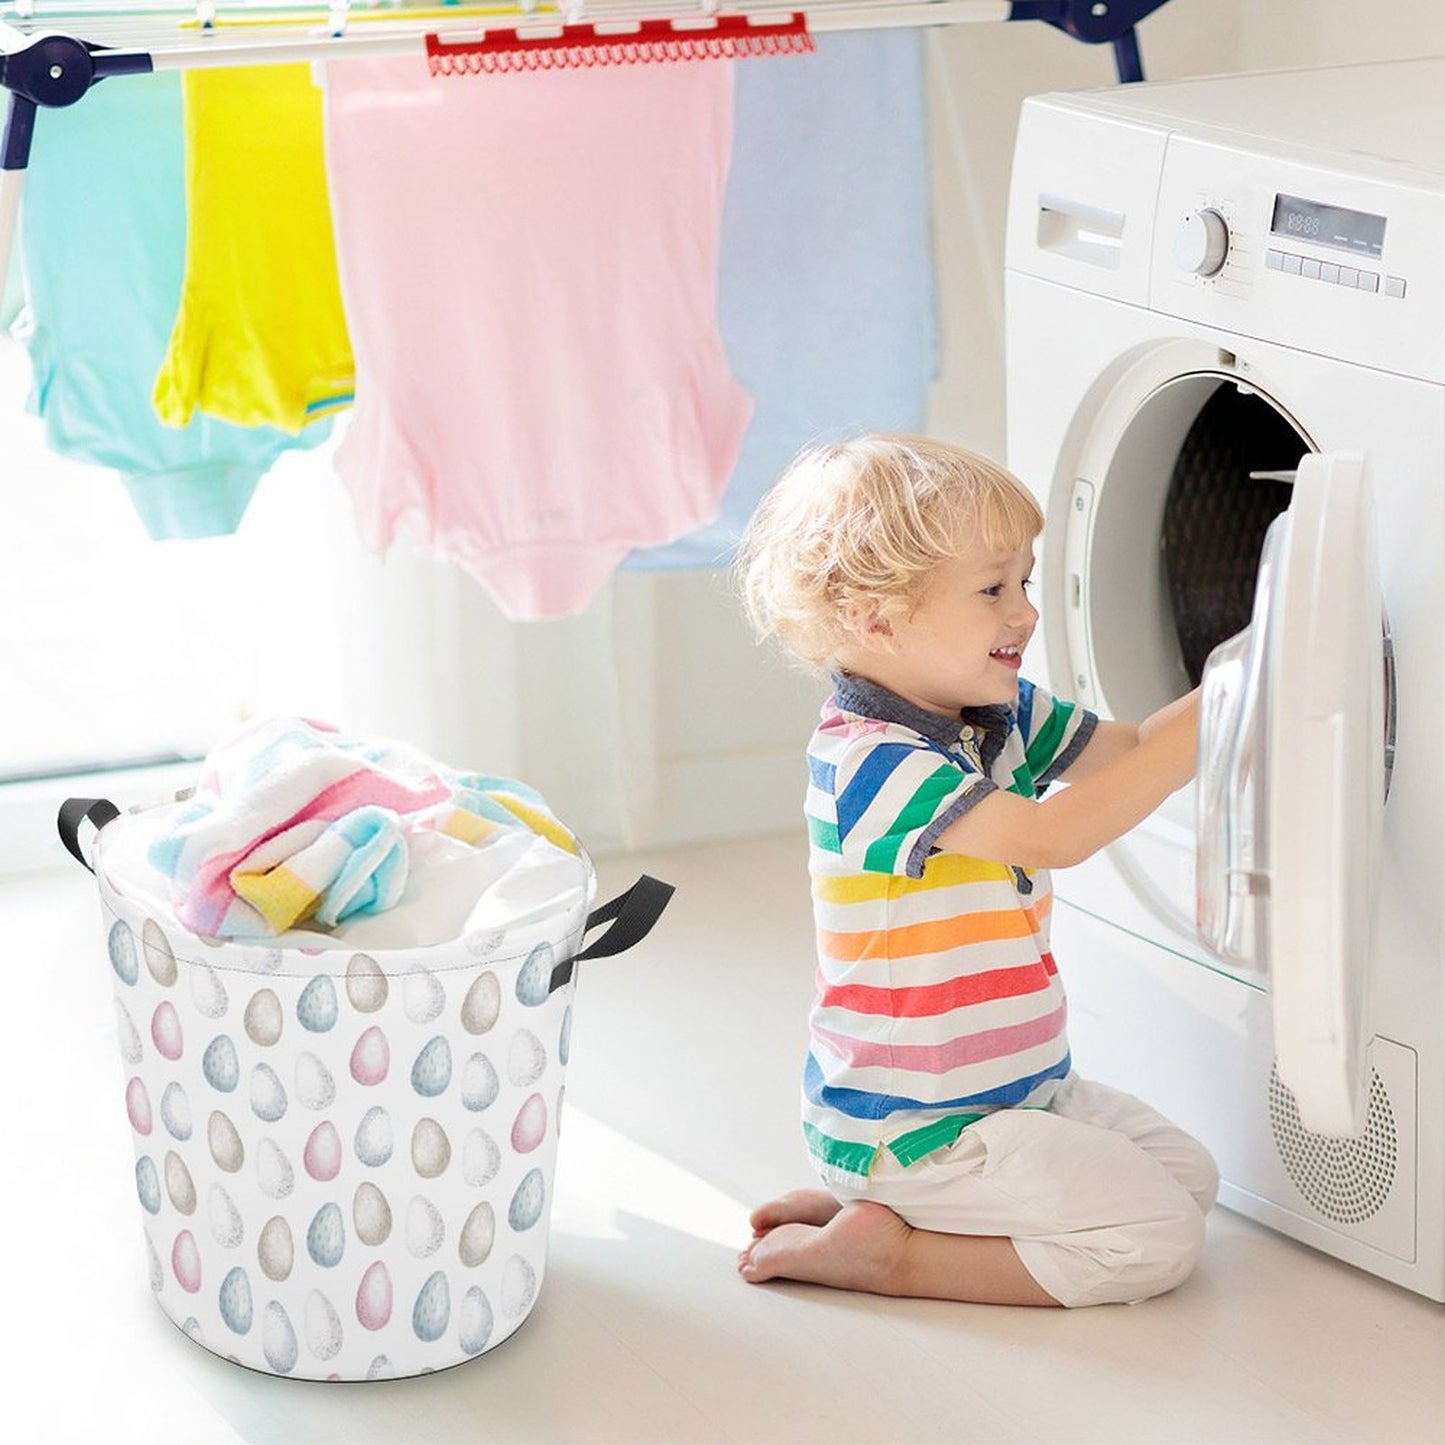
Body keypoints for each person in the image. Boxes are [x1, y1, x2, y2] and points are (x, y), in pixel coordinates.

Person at [733, 433, 1217, 1308]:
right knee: (1156, 1239)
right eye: (993, 588)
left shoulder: (994, 712)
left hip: (1023, 1090)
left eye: (1022, 582)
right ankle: (890, 1251)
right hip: (918, 1122)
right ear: (875, 619)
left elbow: (1129, 752)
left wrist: (1237, 678)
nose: (1024, 612)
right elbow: (1048, 835)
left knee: (1192, 1180)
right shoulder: (869, 762)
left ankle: (884, 1209)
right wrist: (1220, 709)